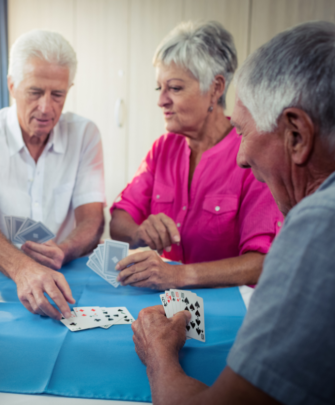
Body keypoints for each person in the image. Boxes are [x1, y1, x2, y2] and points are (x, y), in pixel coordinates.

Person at [132, 21, 335, 405]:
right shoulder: (165, 147)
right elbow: (123, 215)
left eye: (244, 133)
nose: (240, 157)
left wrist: (158, 352)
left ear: (297, 135)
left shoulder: (319, 227)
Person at [110, 21, 282, 290]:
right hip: (164, 306)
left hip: (226, 310)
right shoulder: (163, 148)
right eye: (160, 88)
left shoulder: (250, 155)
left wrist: (177, 276)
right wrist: (139, 232)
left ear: (215, 88)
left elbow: (260, 263)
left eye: (175, 88)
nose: (161, 100)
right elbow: (119, 220)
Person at [0, 30, 105, 320]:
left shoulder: (85, 134)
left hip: (54, 276)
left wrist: (64, 250)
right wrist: (23, 268)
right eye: (35, 92)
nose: (46, 108)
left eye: (58, 95)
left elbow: (92, 219)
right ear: (12, 85)